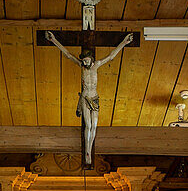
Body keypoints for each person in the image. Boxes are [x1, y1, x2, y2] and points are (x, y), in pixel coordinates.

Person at [46, 30, 133, 166]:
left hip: (95, 98)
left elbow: (111, 56)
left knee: (95, 126)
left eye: (86, 60)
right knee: (88, 125)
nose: (85, 63)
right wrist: (54, 41)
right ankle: (87, 150)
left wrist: (124, 43)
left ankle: (90, 147)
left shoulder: (96, 65)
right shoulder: (81, 66)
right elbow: (68, 55)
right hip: (86, 98)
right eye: (84, 61)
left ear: (91, 59)